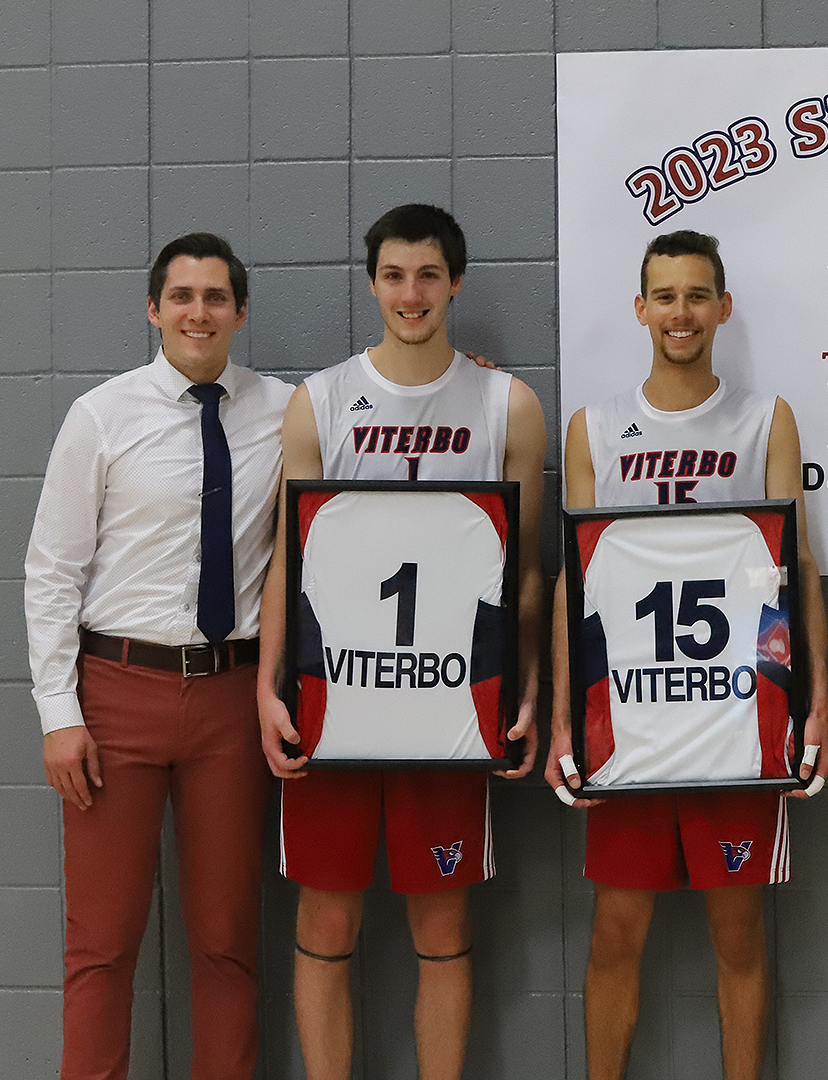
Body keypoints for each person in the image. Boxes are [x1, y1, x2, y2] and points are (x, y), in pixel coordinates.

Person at [255, 204, 547, 1080]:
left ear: (455, 282)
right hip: (337, 704)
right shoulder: (322, 401)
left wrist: (525, 691)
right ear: (372, 283)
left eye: (428, 275)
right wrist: (267, 688)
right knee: (326, 924)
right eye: (393, 275)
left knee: (443, 927)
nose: (410, 293)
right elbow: (287, 561)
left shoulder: (509, 404)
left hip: (449, 710)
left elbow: (524, 574)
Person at [547, 230, 828, 1080]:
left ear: (722, 308)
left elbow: (799, 566)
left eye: (697, 295)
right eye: (665, 296)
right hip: (629, 719)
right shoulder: (593, 429)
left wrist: (818, 705)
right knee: (615, 931)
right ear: (640, 309)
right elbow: (575, 584)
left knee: (737, 933)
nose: (681, 312)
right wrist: (566, 719)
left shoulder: (763, 420)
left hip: (736, 718)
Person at [25, 233, 288, 1080]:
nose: (199, 312)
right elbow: (52, 571)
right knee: (101, 946)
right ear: (153, 309)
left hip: (228, 699)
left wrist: (455, 381)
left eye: (217, 297)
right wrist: (59, 716)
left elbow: (381, 419)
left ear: (241, 313)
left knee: (227, 943)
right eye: (182, 296)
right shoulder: (102, 416)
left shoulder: (287, 412)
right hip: (116, 696)